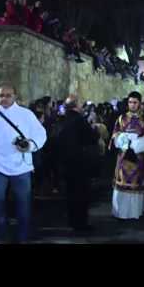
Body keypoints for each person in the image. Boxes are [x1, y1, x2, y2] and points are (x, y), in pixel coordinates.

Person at [0, 83, 47, 244]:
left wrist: (30, 146)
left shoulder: (26, 115)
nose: (4, 99)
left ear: (15, 96)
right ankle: (0, 237)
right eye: (1, 96)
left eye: (8, 95)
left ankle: (22, 237)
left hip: (22, 167)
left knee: (23, 205)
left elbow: (41, 134)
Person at [57, 95, 100, 233]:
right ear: (76, 105)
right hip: (80, 163)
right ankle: (81, 223)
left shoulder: (62, 119)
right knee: (81, 195)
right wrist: (94, 129)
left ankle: (72, 221)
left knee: (70, 194)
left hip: (65, 163)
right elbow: (92, 139)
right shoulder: (79, 120)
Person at [111, 91, 144, 220]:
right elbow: (115, 134)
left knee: (136, 185)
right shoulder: (121, 118)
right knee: (122, 185)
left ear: (140, 103)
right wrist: (123, 142)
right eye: (130, 102)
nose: (132, 105)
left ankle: (135, 213)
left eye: (135, 102)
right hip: (124, 157)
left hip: (138, 158)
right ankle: (120, 212)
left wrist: (135, 145)